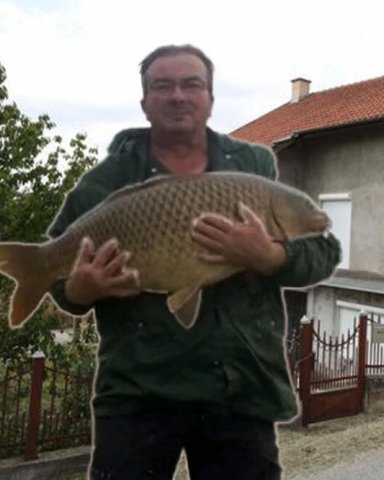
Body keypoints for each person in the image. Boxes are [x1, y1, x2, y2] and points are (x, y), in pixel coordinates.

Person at [47, 45, 341, 479]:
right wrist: (80, 289)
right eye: (162, 86)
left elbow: (323, 251)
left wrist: (269, 255)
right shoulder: (104, 183)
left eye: (192, 84)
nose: (178, 95)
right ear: (145, 101)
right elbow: (59, 277)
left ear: (210, 97)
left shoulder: (253, 167)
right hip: (136, 391)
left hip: (240, 389)